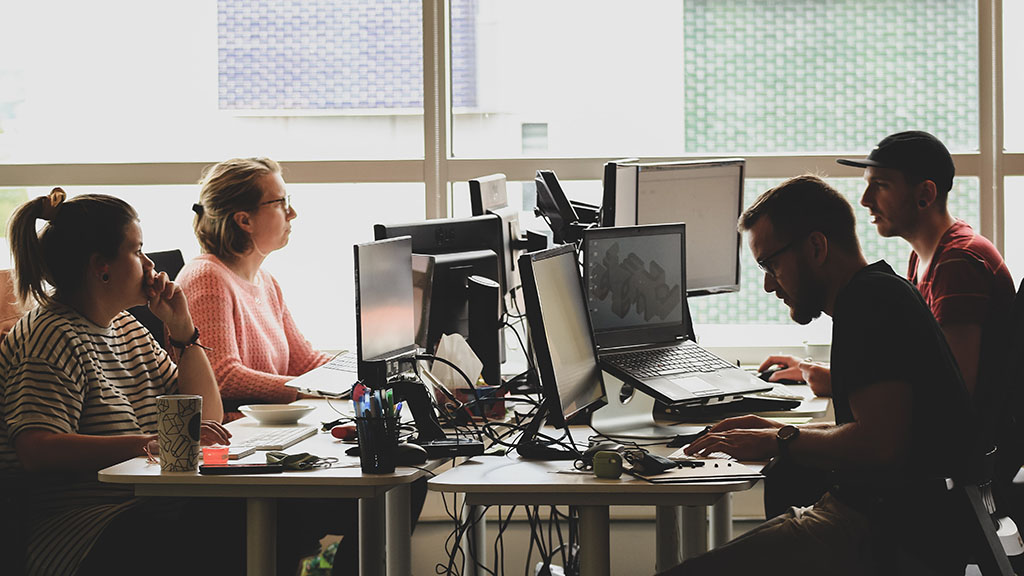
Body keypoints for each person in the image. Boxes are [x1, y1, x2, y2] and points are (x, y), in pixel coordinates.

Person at [659, 175, 980, 575]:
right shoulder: (880, 291)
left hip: (882, 534)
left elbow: (880, 444)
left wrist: (782, 439)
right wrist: (772, 430)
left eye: (770, 263)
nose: (767, 284)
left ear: (816, 246)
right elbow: (878, 429)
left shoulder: (870, 303)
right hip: (896, 524)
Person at [0, 189, 236, 576]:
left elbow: (206, 419)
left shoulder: (126, 327)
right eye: (137, 250)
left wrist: (183, 332)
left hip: (149, 510)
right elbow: (36, 448)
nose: (149, 263)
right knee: (235, 524)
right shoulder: (50, 337)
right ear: (101, 267)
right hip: (86, 530)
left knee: (285, 511)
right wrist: (147, 444)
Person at [761, 131, 1015, 405]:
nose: (865, 200)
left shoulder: (959, 263)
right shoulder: (926, 257)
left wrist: (838, 382)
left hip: (980, 445)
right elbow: (919, 367)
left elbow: (954, 389)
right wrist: (823, 372)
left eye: (880, 185)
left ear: (925, 194)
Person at [179, 157, 331, 423]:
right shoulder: (207, 278)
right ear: (244, 220)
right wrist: (307, 390)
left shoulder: (266, 281)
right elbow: (223, 376)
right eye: (281, 202)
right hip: (234, 433)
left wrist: (361, 374)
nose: (292, 212)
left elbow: (305, 363)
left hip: (269, 426)